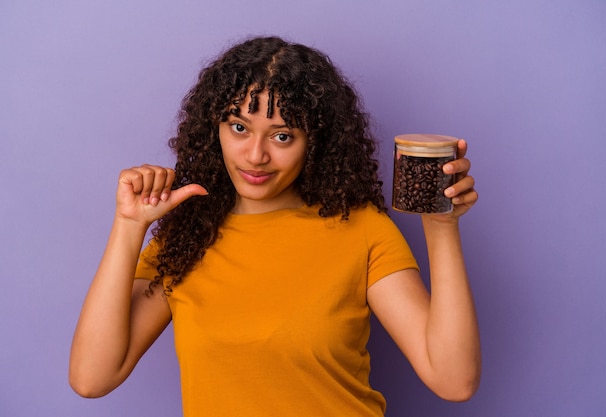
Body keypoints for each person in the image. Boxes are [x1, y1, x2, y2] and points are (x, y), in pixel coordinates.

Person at [69, 36, 481, 417]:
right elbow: (92, 379)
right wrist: (128, 226)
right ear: (214, 129)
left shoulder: (361, 229)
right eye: (239, 128)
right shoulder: (185, 240)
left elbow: (453, 381)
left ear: (315, 142)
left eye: (282, 136)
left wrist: (441, 226)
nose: (255, 155)